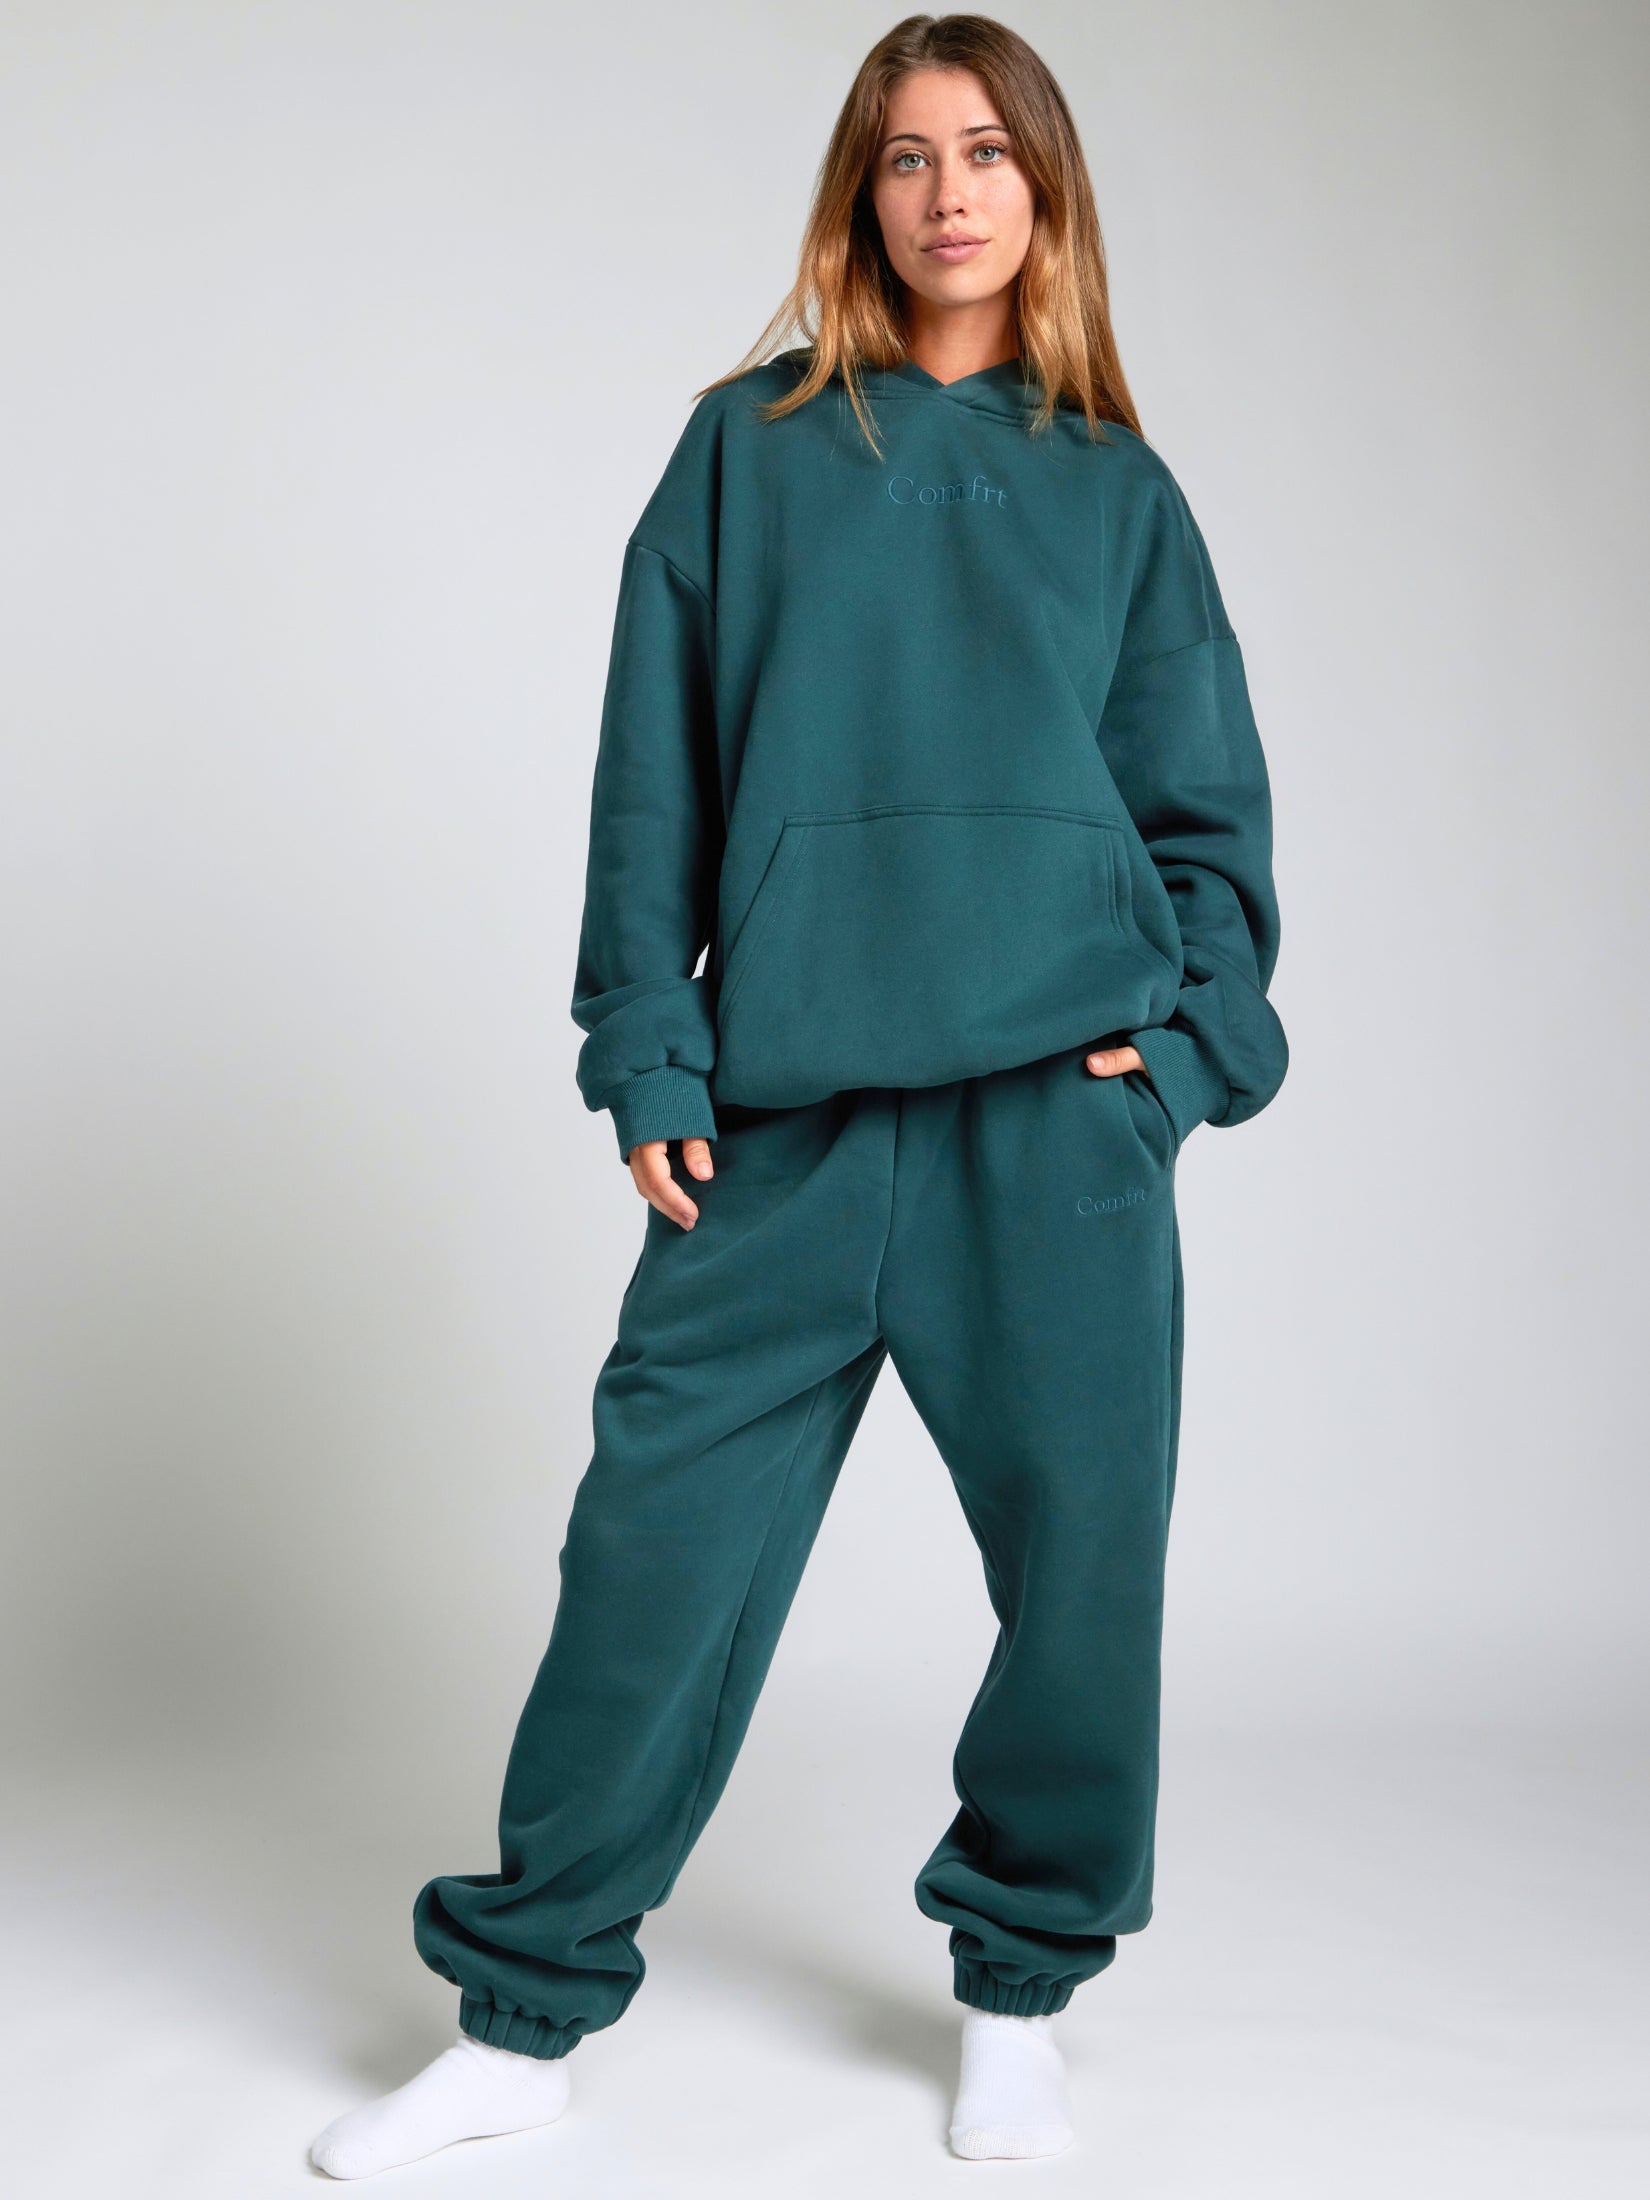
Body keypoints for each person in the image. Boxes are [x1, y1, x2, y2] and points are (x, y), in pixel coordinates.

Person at [309, 11, 1288, 2179]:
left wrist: (1183, 1056)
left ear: (1046, 190)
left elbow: (1206, 815)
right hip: (781, 1124)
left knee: (1083, 1583)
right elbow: (648, 783)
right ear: (860, 193)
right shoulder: (742, 452)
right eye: (906, 156)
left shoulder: (1118, 492)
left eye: (988, 152)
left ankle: (1018, 1994)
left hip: (1049, 1129)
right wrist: (648, 1049)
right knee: (647, 1561)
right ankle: (523, 2016)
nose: (949, 192)